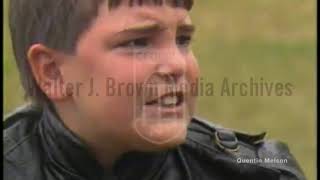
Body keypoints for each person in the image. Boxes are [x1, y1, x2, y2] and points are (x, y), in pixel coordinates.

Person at [3, 0, 305, 179]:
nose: (176, 64)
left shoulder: (255, 173)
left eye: (183, 39)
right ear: (52, 71)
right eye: (138, 43)